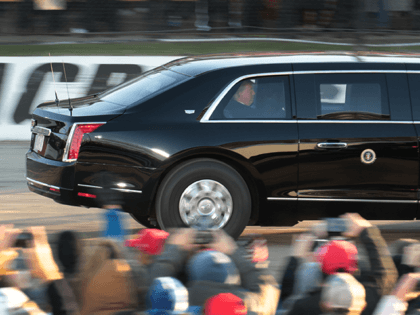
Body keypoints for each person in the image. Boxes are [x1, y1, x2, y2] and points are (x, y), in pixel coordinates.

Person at [283, 213, 398, 315]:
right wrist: (367, 231)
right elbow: (386, 276)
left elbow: (286, 300)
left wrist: (296, 255)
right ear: (355, 265)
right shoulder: (369, 298)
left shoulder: (304, 305)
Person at [149, 228, 279, 315]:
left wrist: (175, 249)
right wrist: (233, 251)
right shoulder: (245, 303)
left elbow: (153, 287)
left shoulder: (178, 299)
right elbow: (268, 294)